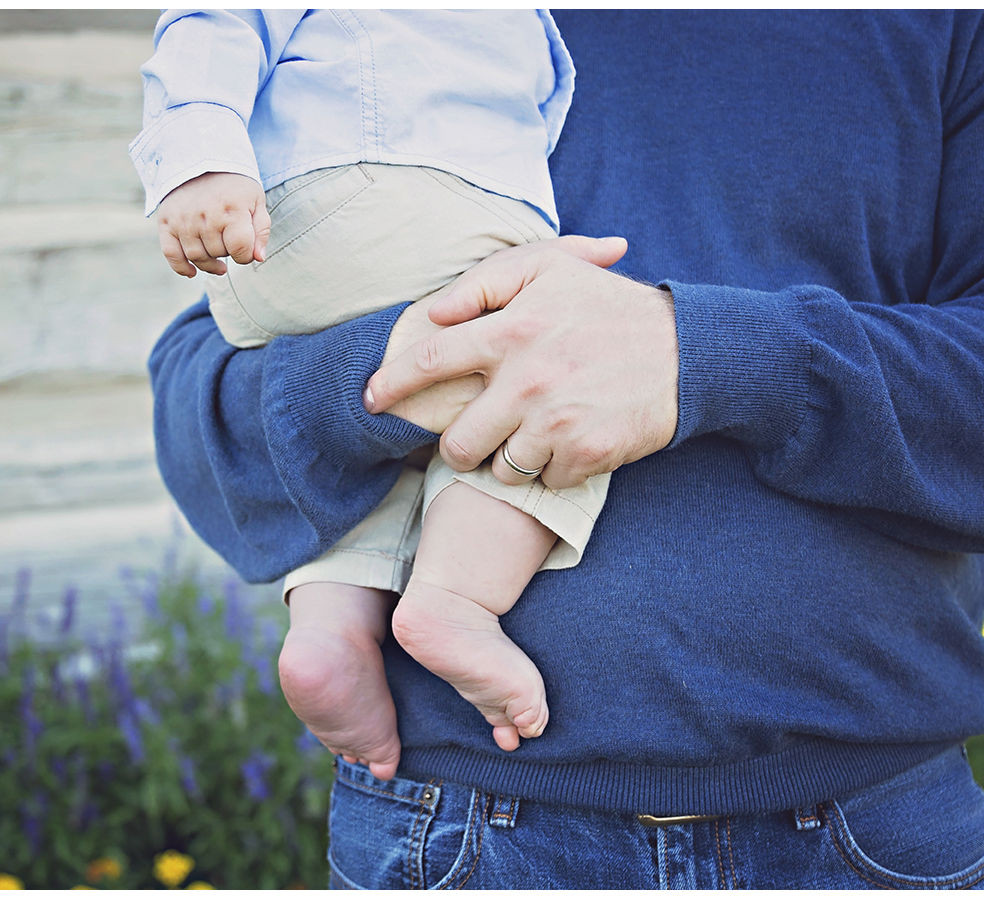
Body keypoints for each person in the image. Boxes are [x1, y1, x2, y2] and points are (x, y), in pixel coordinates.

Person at [148, 10, 983, 890]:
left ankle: (357, 614)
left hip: (873, 827)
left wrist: (703, 356)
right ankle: (425, 602)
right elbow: (195, 399)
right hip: (461, 830)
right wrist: (411, 365)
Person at [131, 10, 619, 777]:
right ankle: (457, 598)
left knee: (413, 452)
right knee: (564, 362)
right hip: (388, 188)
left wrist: (204, 164)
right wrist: (199, 160)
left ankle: (331, 629)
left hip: (271, 252)